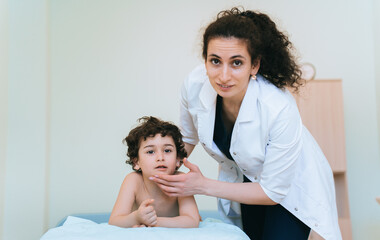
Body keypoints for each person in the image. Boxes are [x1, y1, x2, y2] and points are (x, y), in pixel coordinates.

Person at [150, 7, 342, 240]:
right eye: (215, 61)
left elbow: (272, 192)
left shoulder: (277, 107)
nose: (223, 75)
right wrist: (156, 175)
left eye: (237, 63)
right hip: (247, 182)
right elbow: (187, 139)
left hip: (288, 189)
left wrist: (200, 185)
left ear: (255, 65)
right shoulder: (194, 85)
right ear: (205, 60)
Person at [108, 116, 200, 228]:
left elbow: (192, 221)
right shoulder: (133, 181)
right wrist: (136, 218)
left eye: (167, 150)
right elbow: (114, 221)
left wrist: (152, 222)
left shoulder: (181, 180)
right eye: (150, 151)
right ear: (136, 162)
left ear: (177, 159)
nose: (160, 157)